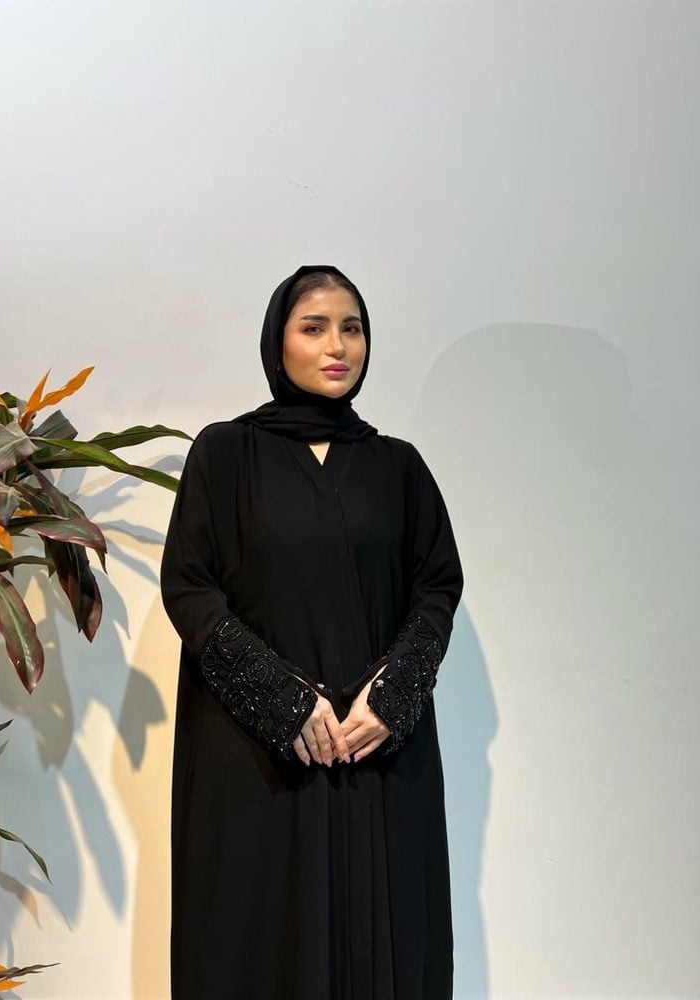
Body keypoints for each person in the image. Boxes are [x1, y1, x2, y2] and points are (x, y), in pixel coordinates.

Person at [160, 264, 464, 1000]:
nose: (338, 346)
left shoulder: (398, 467)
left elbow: (437, 587)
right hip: (256, 754)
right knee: (256, 938)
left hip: (374, 749)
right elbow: (189, 586)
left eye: (351, 328)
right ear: (278, 343)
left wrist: (394, 695)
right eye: (314, 327)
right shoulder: (225, 454)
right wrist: (282, 701)